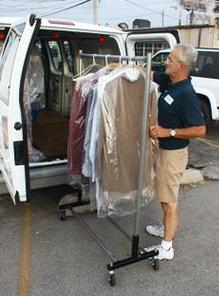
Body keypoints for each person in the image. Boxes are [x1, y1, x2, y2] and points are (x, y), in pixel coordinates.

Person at [145, 44, 206, 260]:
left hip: (173, 155)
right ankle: (165, 230)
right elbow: (149, 73)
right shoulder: (170, 81)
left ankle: (167, 247)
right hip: (163, 151)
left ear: (181, 66)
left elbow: (200, 130)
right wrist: (120, 66)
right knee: (164, 196)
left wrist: (167, 132)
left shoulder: (186, 93)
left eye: (170, 60)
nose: (166, 62)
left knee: (169, 202)